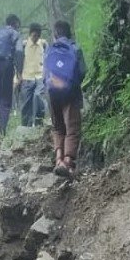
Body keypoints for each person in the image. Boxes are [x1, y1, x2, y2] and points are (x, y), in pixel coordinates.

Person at [44, 21, 87, 178]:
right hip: (70, 92)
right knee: (72, 128)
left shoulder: (49, 50)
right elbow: (82, 71)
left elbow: (44, 75)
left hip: (52, 93)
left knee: (58, 128)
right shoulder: (75, 48)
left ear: (55, 34)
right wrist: (72, 84)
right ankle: (68, 162)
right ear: (70, 33)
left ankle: (58, 160)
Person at [19, 23, 47, 127]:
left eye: (38, 36)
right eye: (34, 36)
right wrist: (18, 77)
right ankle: (26, 127)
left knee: (38, 97)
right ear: (30, 34)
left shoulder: (43, 44)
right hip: (26, 77)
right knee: (26, 104)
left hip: (40, 77)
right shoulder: (23, 45)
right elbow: (18, 61)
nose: (36, 38)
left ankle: (39, 123)